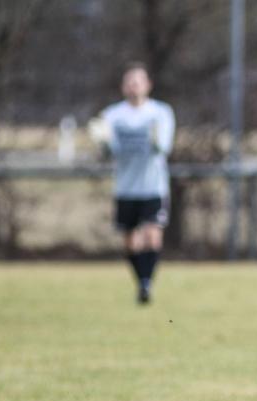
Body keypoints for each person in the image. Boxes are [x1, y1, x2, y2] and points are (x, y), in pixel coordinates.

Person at [90, 62, 175, 304]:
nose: (134, 87)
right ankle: (142, 281)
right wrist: (103, 143)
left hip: (153, 185)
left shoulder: (160, 112)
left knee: (152, 235)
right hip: (126, 186)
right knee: (130, 240)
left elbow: (164, 148)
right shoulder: (112, 115)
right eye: (130, 82)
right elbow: (108, 152)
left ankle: (147, 283)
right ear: (123, 87)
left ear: (148, 85)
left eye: (138, 82)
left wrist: (157, 141)